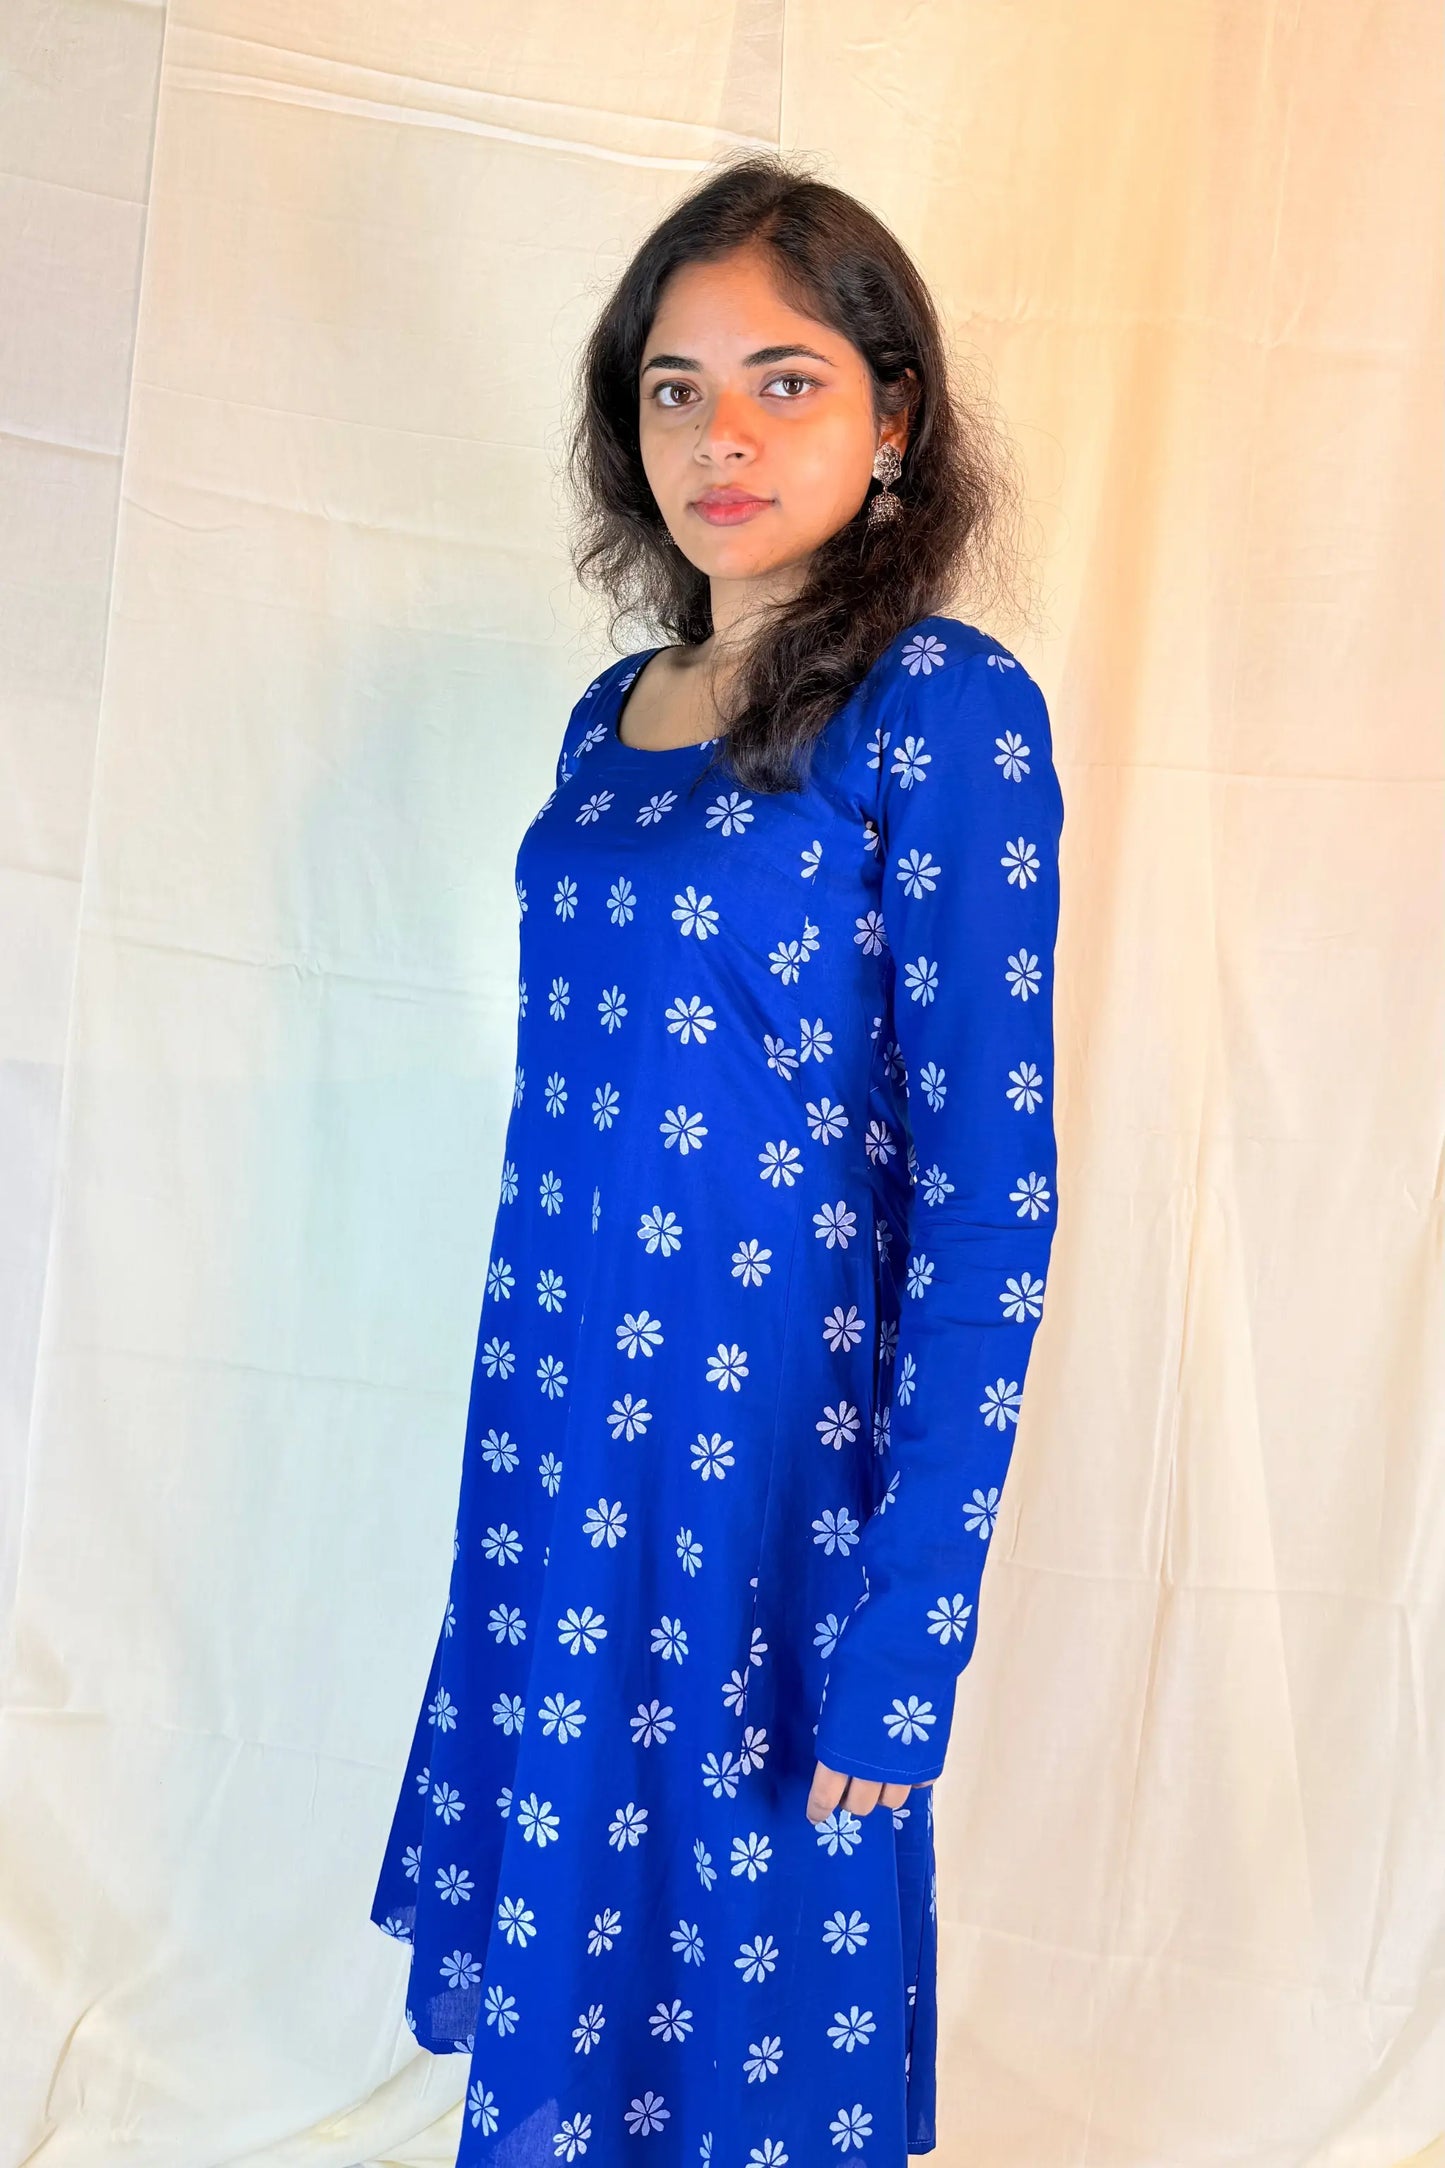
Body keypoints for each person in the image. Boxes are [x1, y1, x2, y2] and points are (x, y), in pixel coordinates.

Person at [369, 151, 1064, 2167]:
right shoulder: (617, 716)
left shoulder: (942, 711)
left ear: (896, 413)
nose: (721, 434)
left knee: (756, 2026)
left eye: (785, 378)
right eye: (674, 387)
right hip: (564, 1461)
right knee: (584, 2016)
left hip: (777, 1491)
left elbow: (991, 1196)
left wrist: (912, 1616)